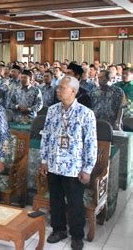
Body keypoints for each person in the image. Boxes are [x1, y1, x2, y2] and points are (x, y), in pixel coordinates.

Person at [40, 76, 97, 250]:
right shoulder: (52, 110)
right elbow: (46, 137)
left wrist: (87, 169)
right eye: (58, 87)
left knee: (74, 203)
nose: (57, 90)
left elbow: (91, 144)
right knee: (55, 199)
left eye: (61, 88)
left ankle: (77, 235)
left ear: (73, 91)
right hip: (54, 164)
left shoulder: (85, 114)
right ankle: (59, 230)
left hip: (73, 168)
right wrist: (44, 160)